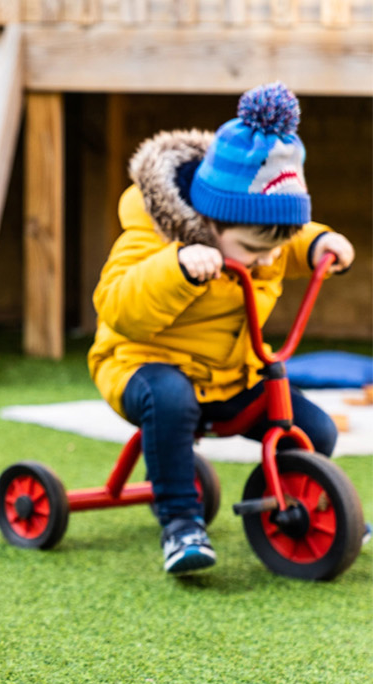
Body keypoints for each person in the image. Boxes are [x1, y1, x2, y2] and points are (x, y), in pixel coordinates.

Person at [90, 82, 356, 574]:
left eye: (278, 247)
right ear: (212, 221)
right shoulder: (151, 235)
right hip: (141, 365)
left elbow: (286, 239)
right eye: (255, 250)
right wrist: (177, 270)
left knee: (312, 428)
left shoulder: (258, 237)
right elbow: (117, 306)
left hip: (230, 375)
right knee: (171, 399)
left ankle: (300, 504)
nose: (268, 261)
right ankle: (180, 524)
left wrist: (319, 243)